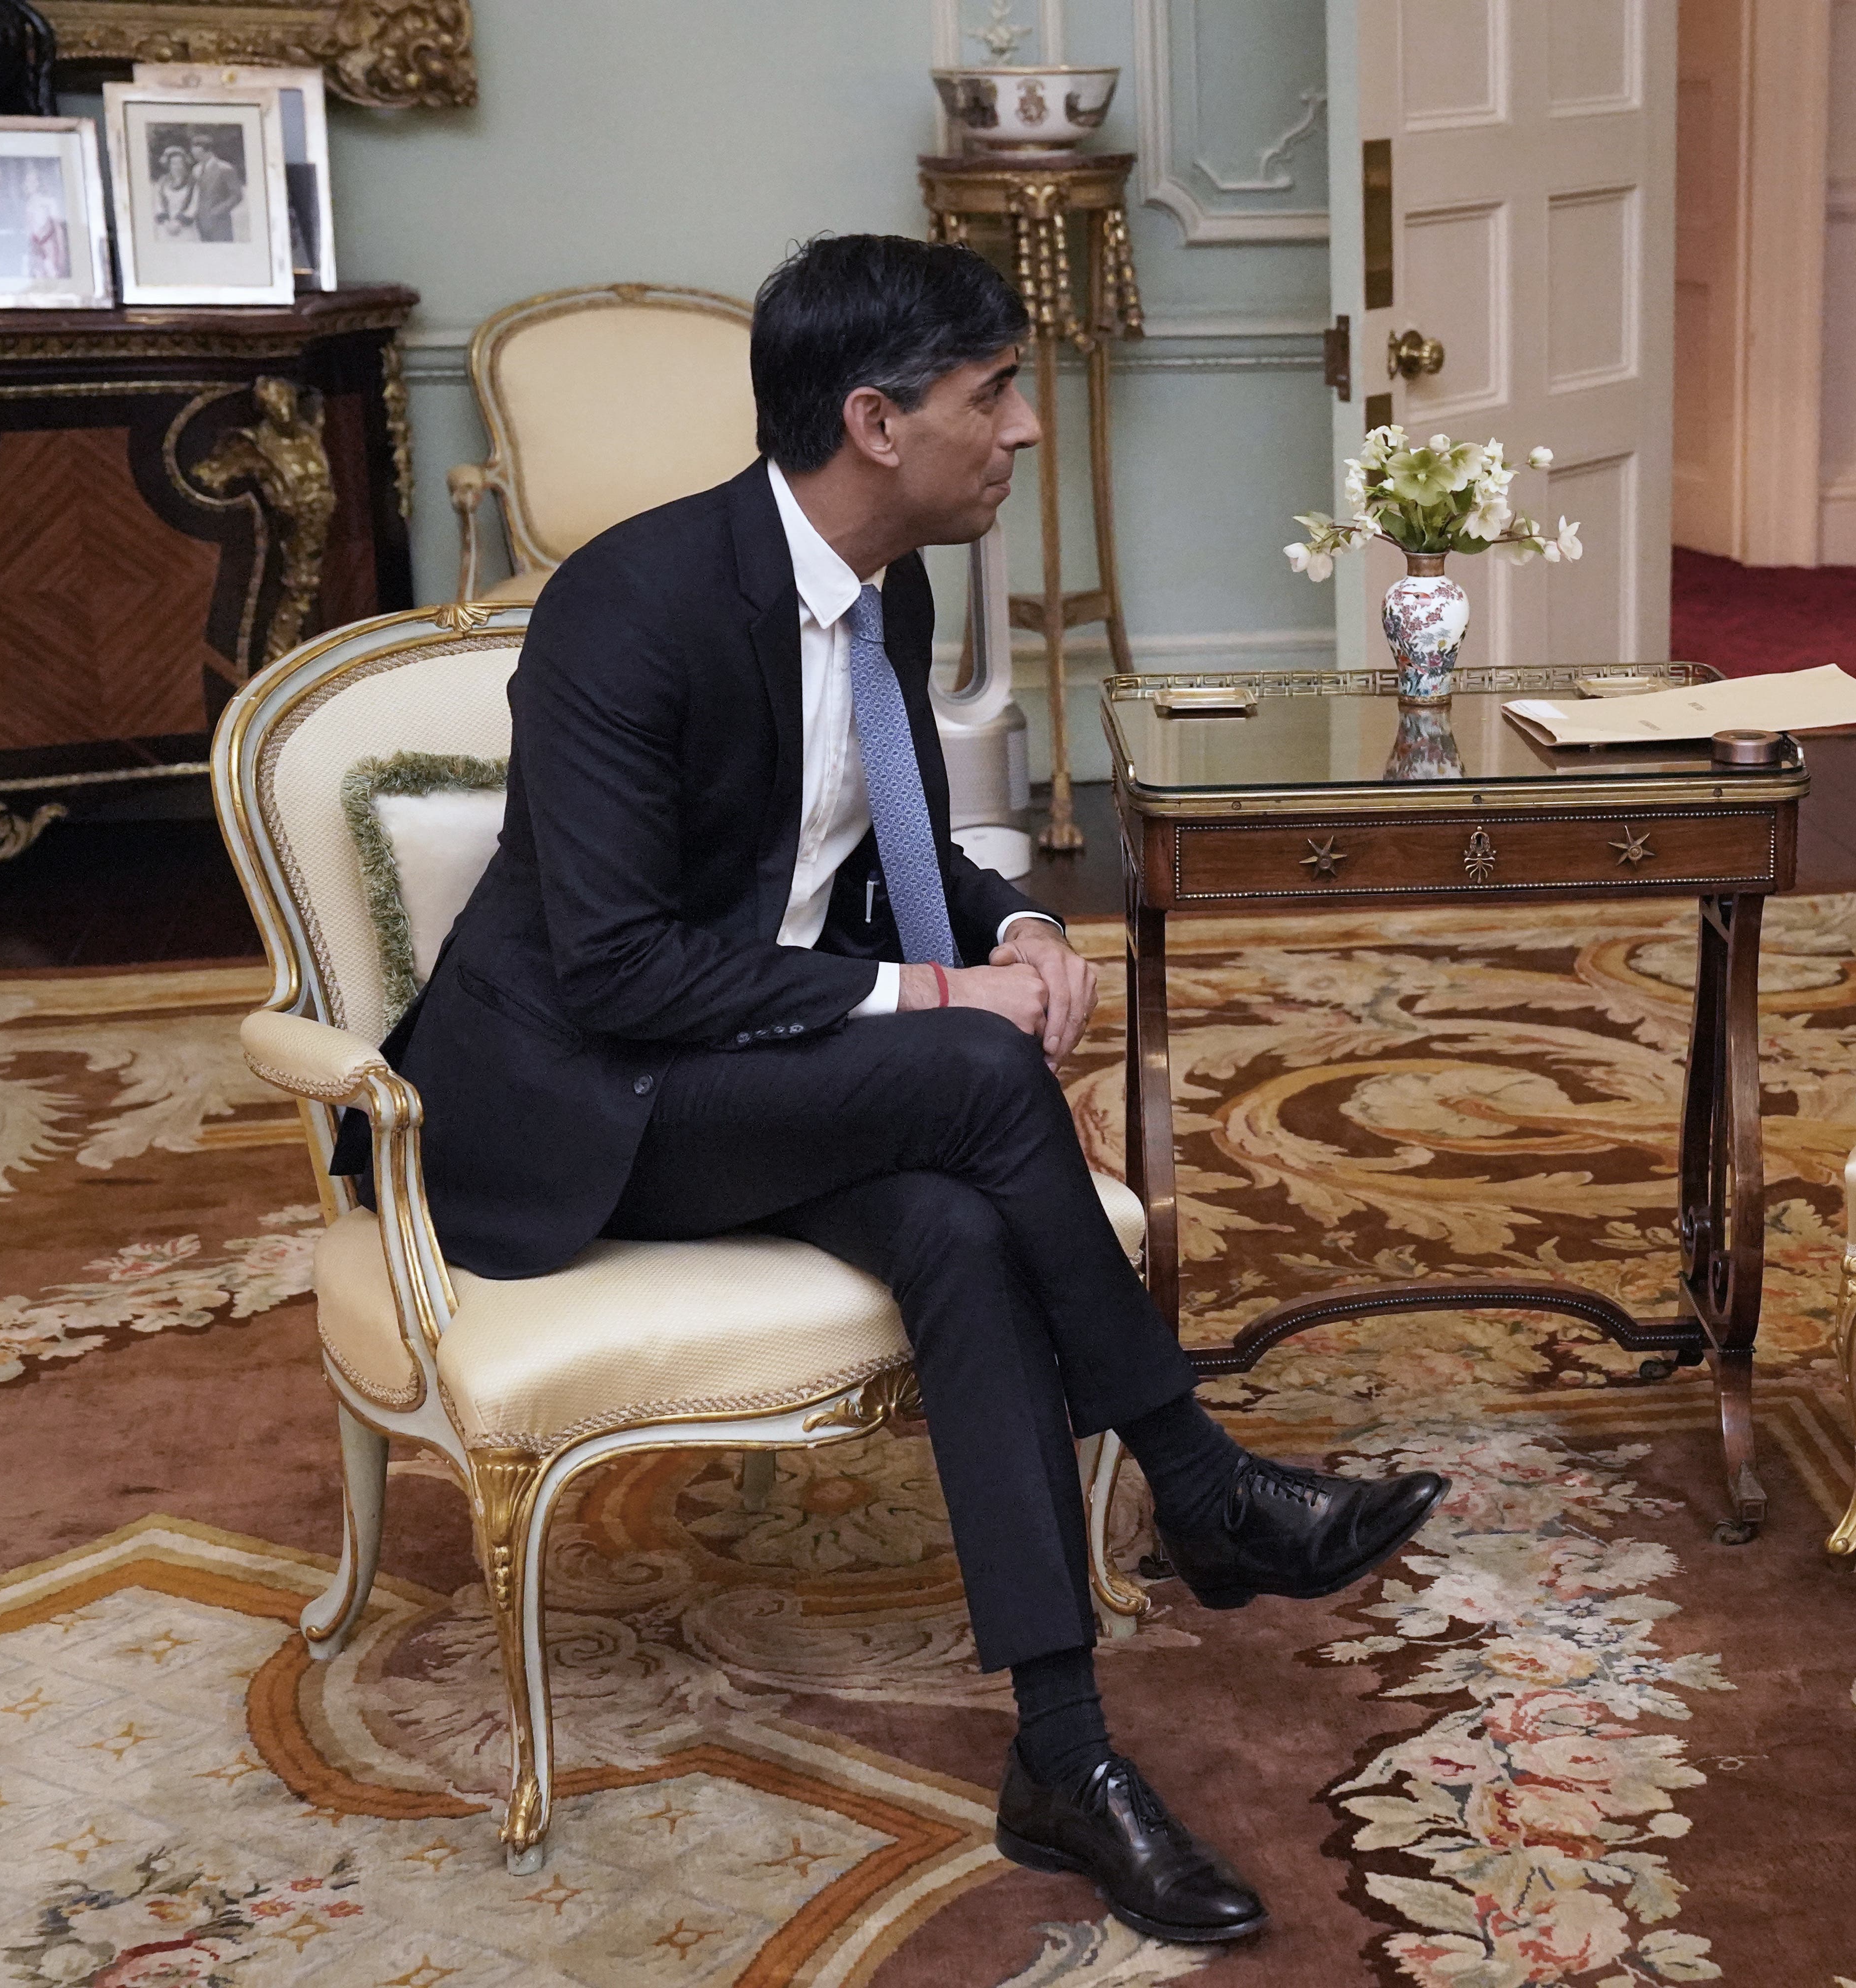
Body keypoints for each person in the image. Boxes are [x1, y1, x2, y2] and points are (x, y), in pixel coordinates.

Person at [352, 234, 1447, 1944]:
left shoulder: (896, 584)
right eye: (990, 393)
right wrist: (945, 988)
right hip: (584, 1103)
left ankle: (1065, 1756)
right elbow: (623, 965)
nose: (1019, 429)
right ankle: (1201, 1477)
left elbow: (881, 843)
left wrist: (1010, 917)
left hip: (760, 1078)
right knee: (961, 1061)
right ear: (874, 420)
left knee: (955, 1219)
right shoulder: (628, 611)